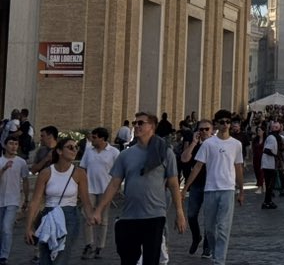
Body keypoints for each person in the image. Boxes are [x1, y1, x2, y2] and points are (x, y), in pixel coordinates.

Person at [91, 112, 187, 265]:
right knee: (127, 259)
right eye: (135, 123)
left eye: (141, 123)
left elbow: (174, 184)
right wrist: (99, 210)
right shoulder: (125, 155)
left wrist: (179, 212)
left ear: (152, 126)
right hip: (130, 215)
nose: (136, 126)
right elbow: (114, 184)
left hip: (155, 215)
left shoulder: (165, 153)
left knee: (151, 260)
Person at [183, 110, 244, 265]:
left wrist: (241, 190)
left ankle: (219, 261)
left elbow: (238, 168)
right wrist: (185, 188)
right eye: (222, 122)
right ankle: (216, 253)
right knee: (210, 229)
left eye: (228, 122)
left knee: (223, 228)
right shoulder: (208, 144)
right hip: (210, 189)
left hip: (228, 190)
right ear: (216, 124)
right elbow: (197, 167)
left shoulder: (236, 144)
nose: (225, 125)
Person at [25, 136, 94, 265]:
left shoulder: (79, 173)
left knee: (62, 255)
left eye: (76, 147)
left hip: (70, 216)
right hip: (48, 215)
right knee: (45, 256)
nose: (74, 150)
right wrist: (29, 227)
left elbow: (85, 199)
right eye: (70, 147)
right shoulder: (46, 173)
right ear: (59, 151)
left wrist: (91, 216)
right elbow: (35, 201)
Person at [80, 126, 119, 259]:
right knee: (87, 216)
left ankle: (100, 246)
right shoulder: (89, 151)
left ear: (102, 138)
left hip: (106, 189)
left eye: (94, 137)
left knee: (103, 219)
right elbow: (83, 168)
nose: (92, 139)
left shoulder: (114, 152)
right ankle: (89, 244)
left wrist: (115, 188)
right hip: (89, 188)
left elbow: (119, 171)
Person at [180, 119, 212, 255]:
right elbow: (184, 158)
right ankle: (196, 237)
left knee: (209, 217)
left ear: (211, 130)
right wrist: (193, 143)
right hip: (196, 184)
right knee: (191, 215)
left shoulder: (215, 145)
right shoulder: (196, 145)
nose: (204, 132)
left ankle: (207, 246)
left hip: (211, 185)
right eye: (201, 129)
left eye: (206, 129)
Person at [0, 133, 28, 264]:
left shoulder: (21, 162)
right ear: (5, 145)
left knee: (6, 228)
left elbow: (25, 180)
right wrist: (4, 169)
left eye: (16, 144)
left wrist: (26, 199)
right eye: (11, 143)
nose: (13, 146)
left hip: (13, 200)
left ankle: (4, 255)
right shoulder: (0, 161)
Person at [260, 122, 282, 210]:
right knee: (269, 184)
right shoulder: (272, 138)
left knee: (270, 184)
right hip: (268, 164)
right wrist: (275, 156)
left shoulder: (272, 137)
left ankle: (268, 201)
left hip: (269, 164)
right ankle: (267, 202)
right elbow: (267, 150)